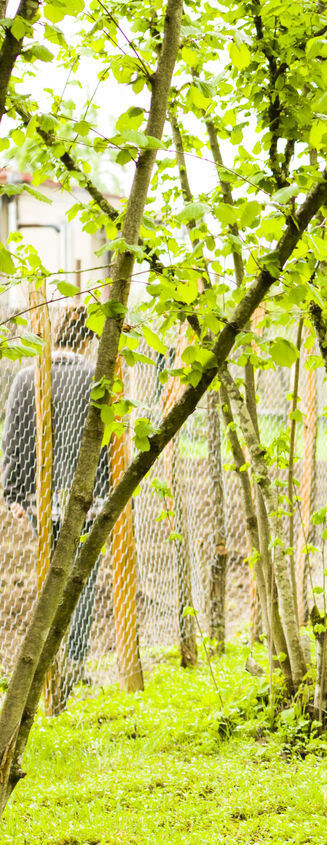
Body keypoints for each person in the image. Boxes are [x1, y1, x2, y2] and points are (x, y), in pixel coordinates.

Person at [2, 305, 112, 711]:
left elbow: (12, 440)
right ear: (87, 340)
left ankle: (45, 658)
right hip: (87, 498)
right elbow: (107, 444)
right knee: (82, 580)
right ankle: (74, 659)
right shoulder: (95, 380)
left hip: (39, 500)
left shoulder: (27, 378)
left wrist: (12, 494)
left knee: (50, 575)